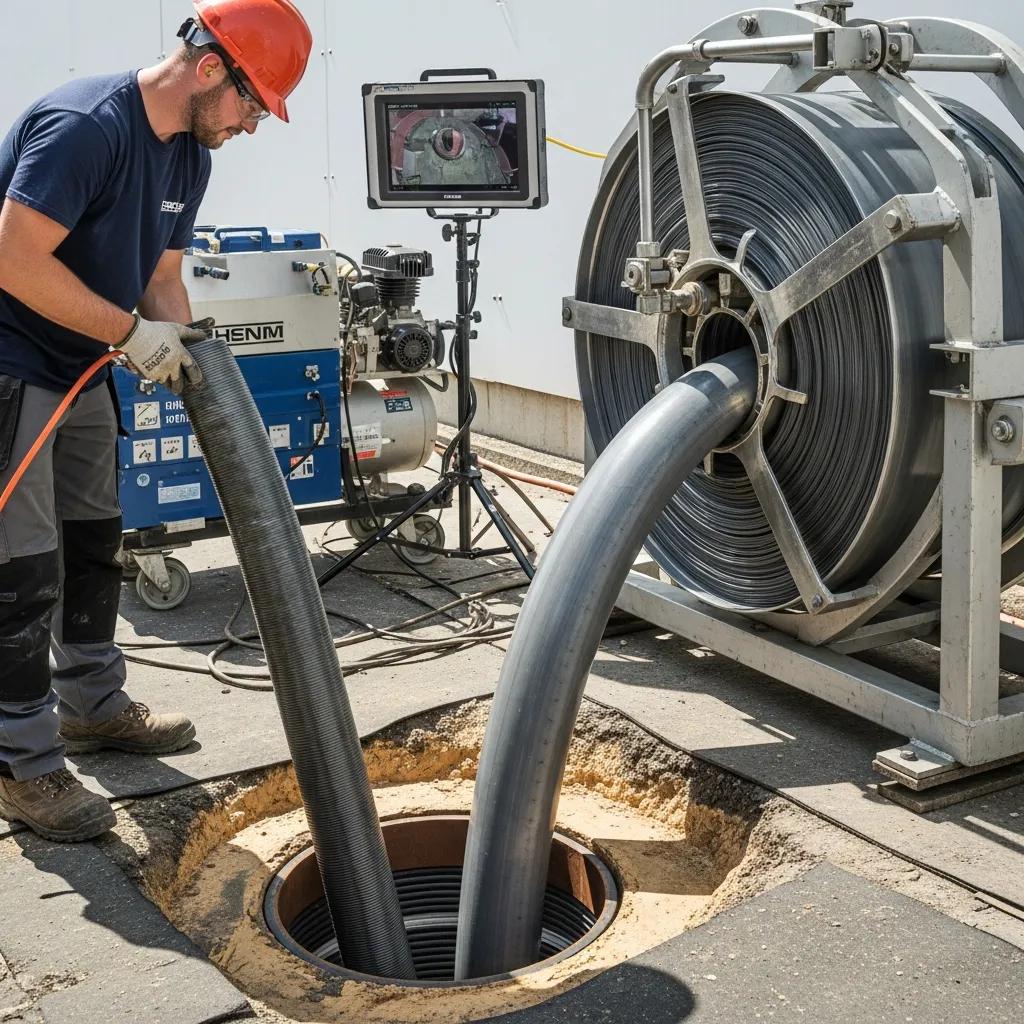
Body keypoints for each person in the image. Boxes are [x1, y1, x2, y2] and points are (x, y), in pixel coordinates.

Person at [0, 0, 312, 843]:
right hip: (13, 362)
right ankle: (21, 763)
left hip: (82, 362)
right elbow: (14, 259)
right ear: (212, 68)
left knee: (98, 539)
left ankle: (92, 707)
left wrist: (193, 359)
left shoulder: (186, 158)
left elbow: (162, 279)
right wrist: (131, 334)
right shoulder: (85, 126)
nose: (253, 125)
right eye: (255, 104)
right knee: (23, 568)